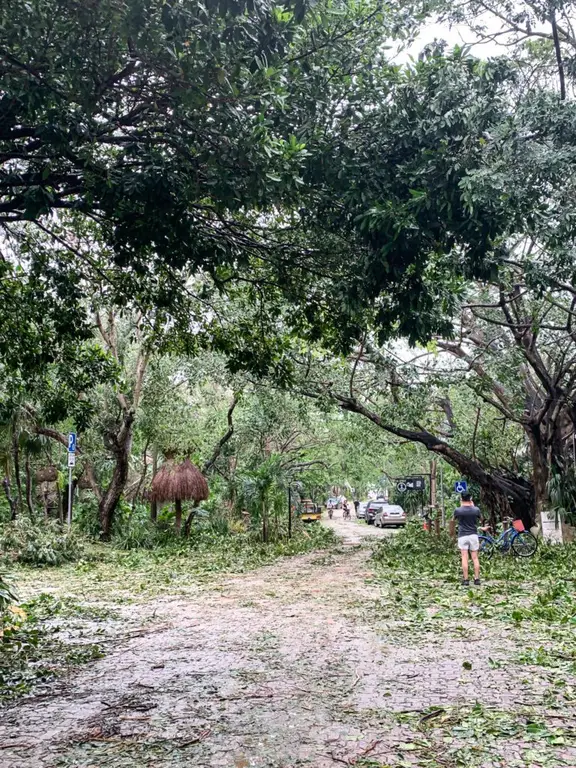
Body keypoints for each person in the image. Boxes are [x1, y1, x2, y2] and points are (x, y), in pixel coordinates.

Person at [454, 493, 482, 586]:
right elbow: (481, 519)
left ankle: (466, 580)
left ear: (461, 499)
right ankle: (477, 579)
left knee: (464, 557)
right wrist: (473, 506)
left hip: (462, 536)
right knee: (475, 557)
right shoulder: (476, 510)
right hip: (473, 535)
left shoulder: (458, 510)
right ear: (471, 499)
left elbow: (453, 520)